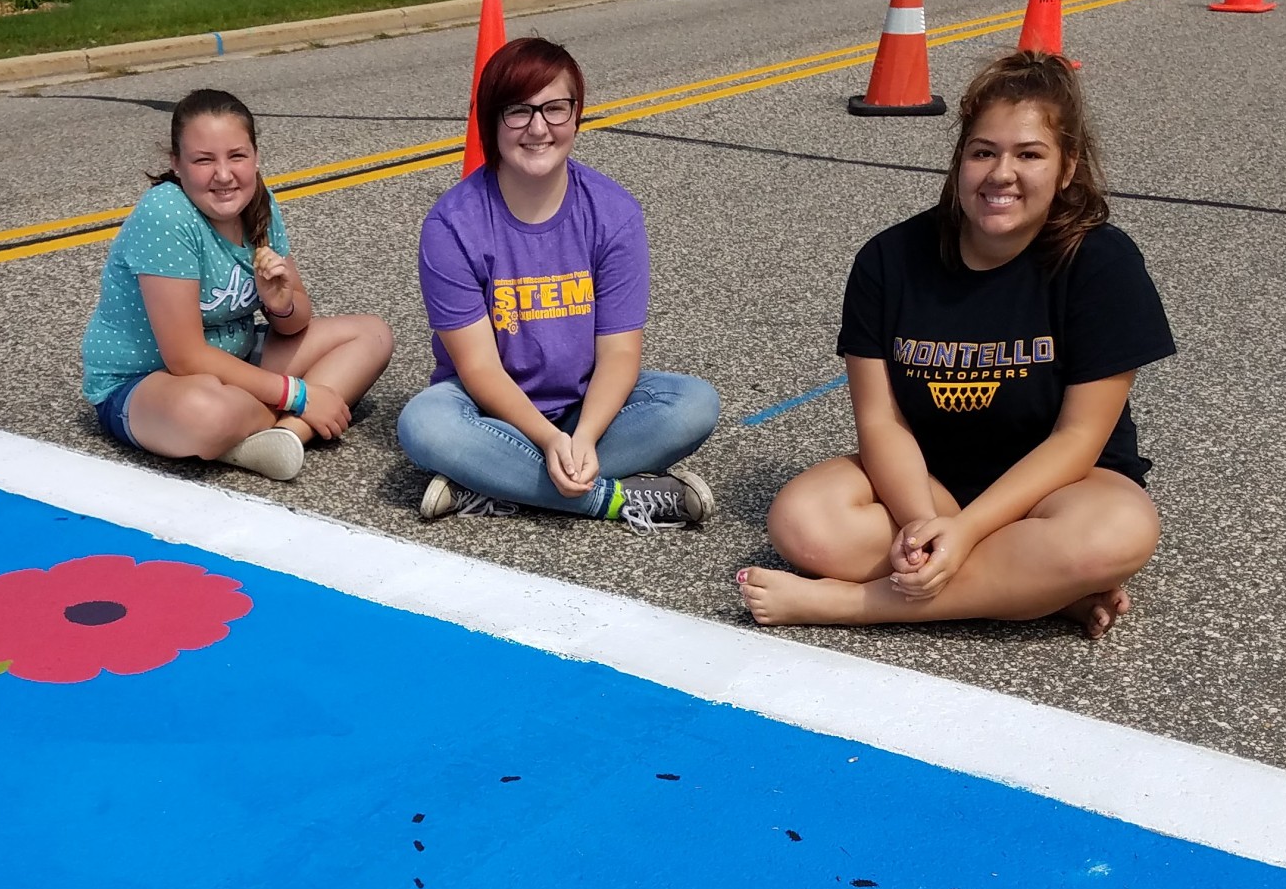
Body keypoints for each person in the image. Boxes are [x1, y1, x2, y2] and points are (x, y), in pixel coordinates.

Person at [739, 52, 1172, 639]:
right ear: (959, 161)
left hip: (1059, 488)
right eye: (983, 152)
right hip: (929, 481)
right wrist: (923, 527)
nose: (1001, 174)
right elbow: (881, 422)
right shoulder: (888, 261)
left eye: (1029, 154)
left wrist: (965, 533)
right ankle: (1035, 592)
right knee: (802, 521)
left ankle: (855, 604)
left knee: (1119, 532)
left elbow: (1078, 438)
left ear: (1068, 167)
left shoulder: (1100, 262)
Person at [399, 36, 719, 529]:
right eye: (519, 111)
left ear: (577, 114)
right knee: (423, 424)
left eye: (555, 108)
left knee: (693, 404)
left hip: (584, 405)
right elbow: (479, 368)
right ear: (492, 120)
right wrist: (548, 442)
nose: (538, 128)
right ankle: (613, 499)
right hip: (487, 411)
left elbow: (619, 354)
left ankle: (486, 481)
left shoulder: (613, 213)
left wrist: (584, 436)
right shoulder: (452, 224)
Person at [83, 89, 393, 483]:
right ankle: (287, 418)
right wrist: (299, 395)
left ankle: (286, 436)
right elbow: (185, 359)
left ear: (256, 156)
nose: (224, 175)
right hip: (149, 383)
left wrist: (280, 303)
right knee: (207, 413)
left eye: (237, 156)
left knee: (372, 335)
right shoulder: (165, 213)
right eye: (203, 160)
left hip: (235, 362)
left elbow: (295, 322)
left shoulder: (259, 204)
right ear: (176, 164)